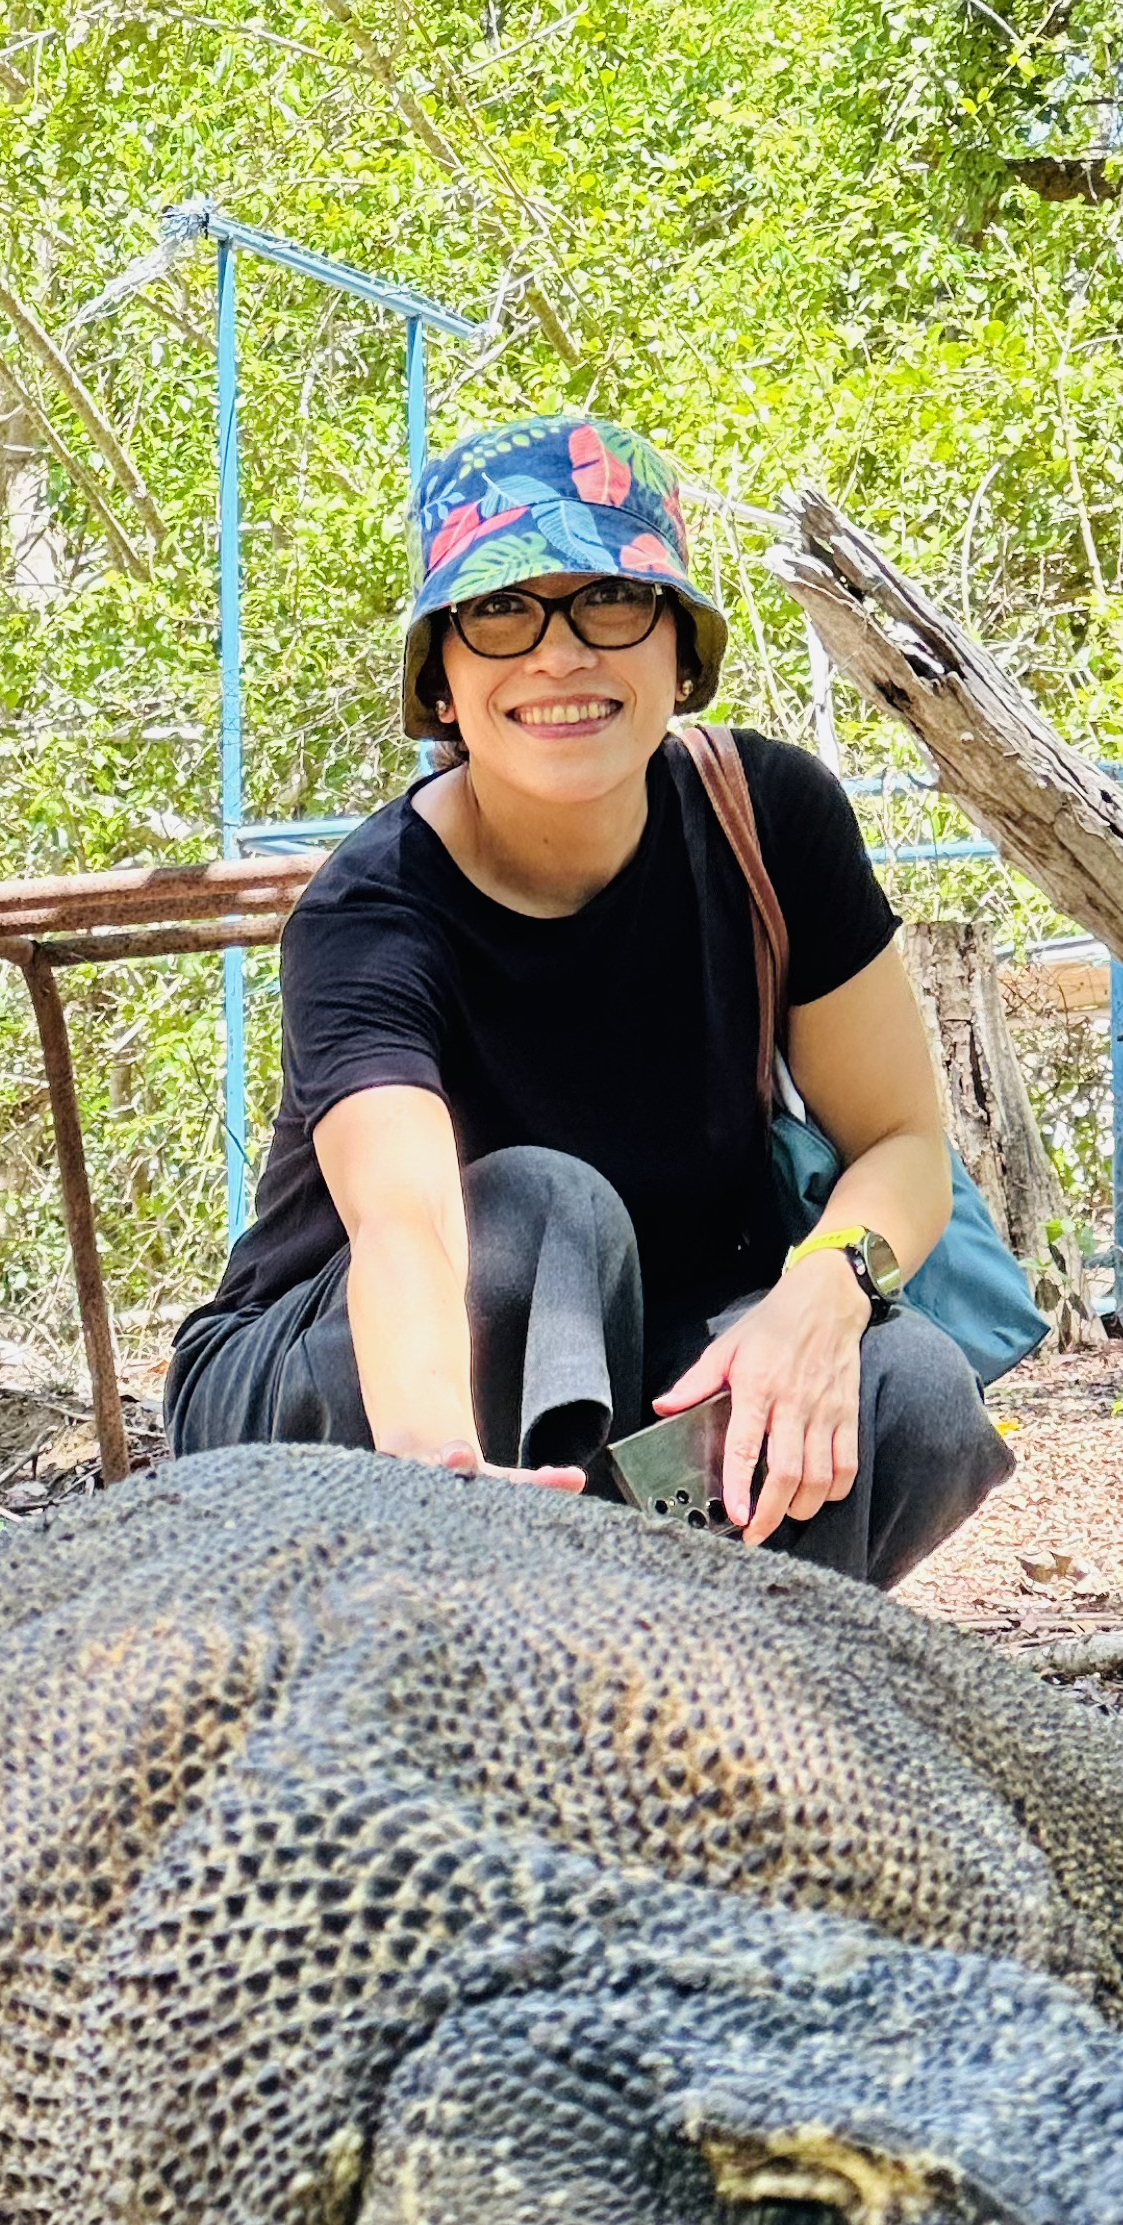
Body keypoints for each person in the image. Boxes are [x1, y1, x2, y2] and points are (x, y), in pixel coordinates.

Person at [164, 409, 1012, 1584]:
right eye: (502, 613)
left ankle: (709, 1710)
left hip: (647, 1374)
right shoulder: (371, 912)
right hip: (336, 1387)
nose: (559, 655)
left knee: (907, 1391)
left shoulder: (772, 821)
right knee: (547, 1212)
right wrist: (428, 1463)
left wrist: (828, 1286)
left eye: (609, 601)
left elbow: (904, 1143)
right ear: (443, 682)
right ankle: (507, 1636)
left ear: (680, 652)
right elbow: (407, 1225)